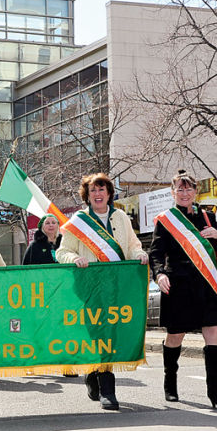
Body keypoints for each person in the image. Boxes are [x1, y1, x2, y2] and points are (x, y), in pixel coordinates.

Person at [57, 173, 149, 411]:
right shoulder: (78, 221)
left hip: (116, 287)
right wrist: (74, 257)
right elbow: (62, 251)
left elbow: (132, 246)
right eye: (93, 191)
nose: (97, 195)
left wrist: (139, 255)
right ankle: (102, 383)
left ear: (109, 194)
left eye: (102, 190)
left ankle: (100, 380)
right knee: (97, 334)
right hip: (89, 287)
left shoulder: (120, 217)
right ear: (87, 196)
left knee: (110, 335)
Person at [149, 169, 217, 410]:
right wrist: (159, 273)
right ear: (173, 192)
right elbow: (155, 253)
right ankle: (170, 382)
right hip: (178, 284)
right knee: (175, 336)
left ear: (195, 192)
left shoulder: (208, 217)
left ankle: (215, 393)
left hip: (206, 283)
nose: (184, 193)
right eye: (180, 189)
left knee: (214, 333)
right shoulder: (166, 220)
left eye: (189, 189)